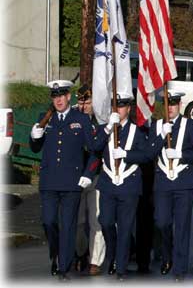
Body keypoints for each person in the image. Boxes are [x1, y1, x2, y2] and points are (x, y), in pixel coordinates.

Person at [29, 80, 100, 280]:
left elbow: (95, 151)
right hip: (49, 181)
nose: (58, 100)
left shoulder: (81, 119)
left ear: (69, 97)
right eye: (55, 96)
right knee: (49, 222)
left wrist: (88, 174)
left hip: (72, 183)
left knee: (68, 225)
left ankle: (64, 267)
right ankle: (56, 253)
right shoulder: (45, 118)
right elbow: (35, 148)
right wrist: (34, 136)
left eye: (61, 95)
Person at [147, 90, 193, 281]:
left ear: (179, 105)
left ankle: (179, 268)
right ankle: (167, 253)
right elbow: (148, 154)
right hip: (163, 183)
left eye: (173, 104)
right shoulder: (156, 125)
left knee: (182, 226)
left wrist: (181, 155)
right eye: (167, 104)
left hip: (184, 183)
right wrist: (160, 136)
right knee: (162, 222)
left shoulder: (189, 125)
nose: (170, 108)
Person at [93, 93, 150, 281]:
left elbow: (146, 156)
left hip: (129, 184)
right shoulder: (105, 128)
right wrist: (109, 127)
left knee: (125, 227)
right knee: (106, 221)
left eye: (122, 106)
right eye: (115, 106)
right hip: (108, 183)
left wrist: (126, 154)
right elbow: (94, 147)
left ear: (129, 109)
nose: (118, 110)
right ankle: (115, 251)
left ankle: (121, 266)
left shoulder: (138, 131)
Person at [74, 85, 106, 276]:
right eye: (80, 102)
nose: (84, 106)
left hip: (96, 176)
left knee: (96, 221)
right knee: (78, 222)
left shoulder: (100, 123)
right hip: (76, 178)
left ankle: (95, 260)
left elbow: (98, 151)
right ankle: (80, 253)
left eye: (87, 102)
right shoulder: (74, 121)